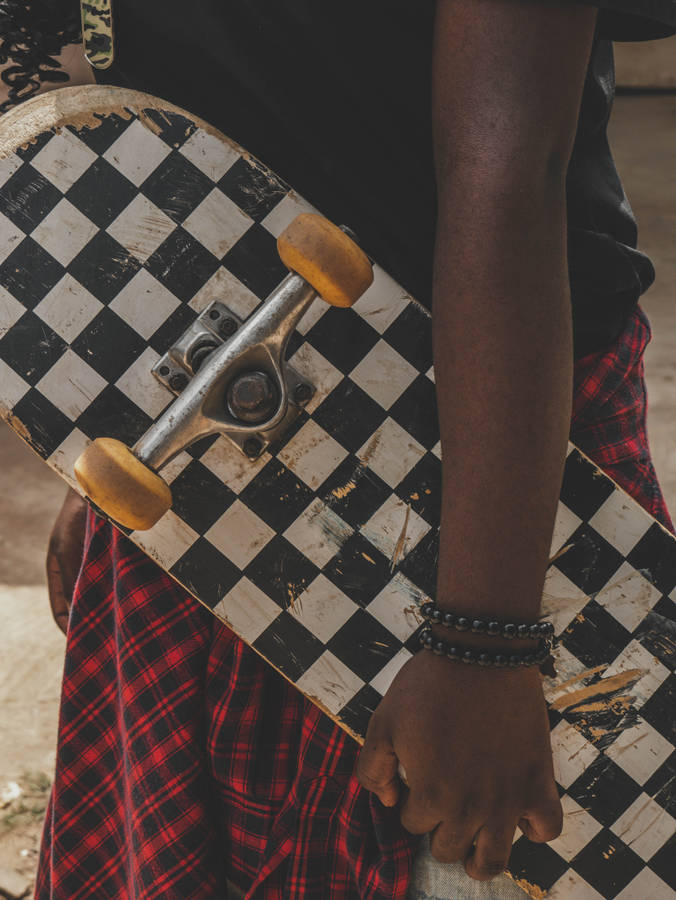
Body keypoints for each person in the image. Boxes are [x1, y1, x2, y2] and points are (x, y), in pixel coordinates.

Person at [1, 1, 674, 897]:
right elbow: (137, 121)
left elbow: (507, 172)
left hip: (477, 467)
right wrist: (109, 432)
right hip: (201, 428)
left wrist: (486, 640)